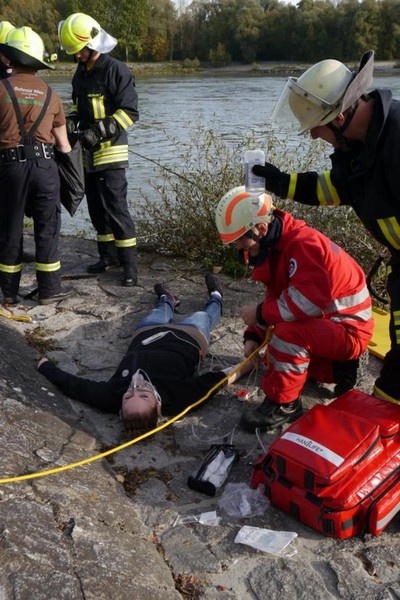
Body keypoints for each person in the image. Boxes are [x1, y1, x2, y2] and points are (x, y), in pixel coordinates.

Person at [252, 50, 400, 405]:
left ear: (340, 116)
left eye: (317, 126)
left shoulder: (396, 139)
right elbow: (332, 189)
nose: (315, 136)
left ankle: (383, 416)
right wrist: (279, 182)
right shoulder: (360, 148)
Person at [215, 186, 374, 433]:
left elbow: (303, 304)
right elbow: (279, 298)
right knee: (277, 356)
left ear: (261, 228)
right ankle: (339, 369)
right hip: (330, 323)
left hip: (349, 331)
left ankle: (284, 405)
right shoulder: (280, 246)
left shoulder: (304, 245)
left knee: (287, 336)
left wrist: (259, 313)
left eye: (240, 240)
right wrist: (253, 335)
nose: (238, 248)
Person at [37, 274, 252, 434]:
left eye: (128, 396)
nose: (135, 388)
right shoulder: (181, 397)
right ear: (158, 407)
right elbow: (219, 380)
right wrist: (249, 364)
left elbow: (75, 386)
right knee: (204, 315)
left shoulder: (111, 396)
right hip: (189, 334)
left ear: (120, 407)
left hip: (148, 331)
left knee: (159, 311)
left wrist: (45, 366)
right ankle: (216, 297)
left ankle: (168, 300)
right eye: (144, 396)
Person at [58, 12, 139, 287]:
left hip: (111, 153)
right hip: (88, 154)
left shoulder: (117, 70)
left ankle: (129, 266)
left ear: (92, 44)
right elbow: (77, 107)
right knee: (96, 209)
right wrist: (70, 122)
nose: (77, 55)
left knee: (117, 209)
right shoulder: (81, 73)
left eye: (80, 50)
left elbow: (130, 112)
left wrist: (98, 132)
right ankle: (107, 257)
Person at [0, 26, 72, 305]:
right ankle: (50, 290)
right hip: (44, 168)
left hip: (9, 168)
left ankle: (8, 293)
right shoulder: (52, 95)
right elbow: (64, 145)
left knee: (10, 229)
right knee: (47, 228)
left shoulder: (1, 89)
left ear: (11, 58)